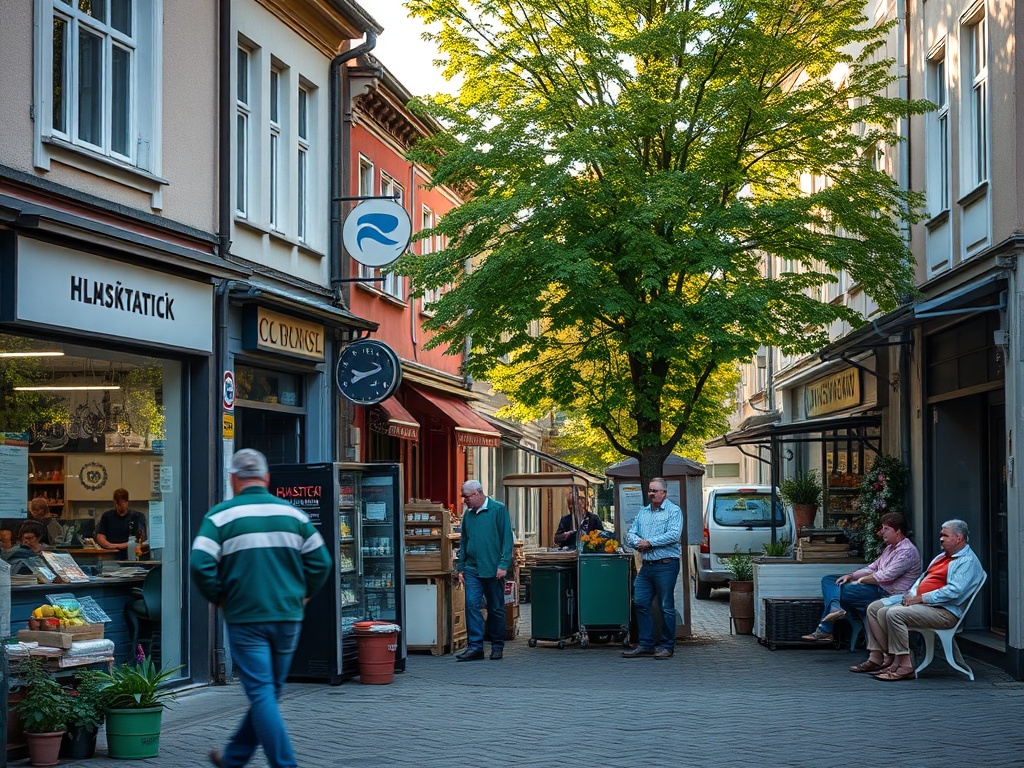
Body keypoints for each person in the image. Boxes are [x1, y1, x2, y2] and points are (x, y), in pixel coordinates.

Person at [191, 449, 331, 768]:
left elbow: (200, 564)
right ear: (267, 479)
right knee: (268, 693)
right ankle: (234, 758)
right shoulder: (294, 515)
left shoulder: (220, 517)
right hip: (287, 618)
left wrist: (221, 597)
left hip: (246, 619)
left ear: (232, 479)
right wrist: (304, 594)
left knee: (262, 694)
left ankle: (285, 764)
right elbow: (321, 561)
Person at [852, 519, 986, 681]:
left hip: (944, 612)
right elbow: (923, 579)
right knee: (876, 609)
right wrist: (912, 595)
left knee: (894, 613)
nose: (941, 539)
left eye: (945, 535)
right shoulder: (941, 557)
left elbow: (954, 592)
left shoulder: (967, 562)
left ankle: (905, 665)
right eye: (940, 535)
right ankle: (889, 658)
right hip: (925, 604)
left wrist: (921, 598)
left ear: (959, 538)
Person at [801, 512, 921, 642]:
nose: (882, 532)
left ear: (898, 532)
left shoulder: (906, 551)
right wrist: (850, 575)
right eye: (882, 528)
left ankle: (826, 627)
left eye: (886, 529)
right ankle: (835, 610)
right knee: (829, 580)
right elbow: (872, 567)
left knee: (838, 590)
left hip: (887, 593)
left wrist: (859, 581)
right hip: (875, 587)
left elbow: (887, 576)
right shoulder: (889, 549)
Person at [623, 477, 683, 659]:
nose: (651, 494)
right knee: (640, 602)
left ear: (664, 492)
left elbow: (674, 535)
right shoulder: (643, 512)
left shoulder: (673, 511)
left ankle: (667, 646)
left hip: (666, 565)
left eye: (655, 491)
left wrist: (650, 543)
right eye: (650, 490)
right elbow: (631, 533)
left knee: (666, 607)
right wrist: (637, 542)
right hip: (647, 567)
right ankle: (647, 644)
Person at [455, 480, 513, 662]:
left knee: (495, 608)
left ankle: (497, 645)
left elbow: (507, 539)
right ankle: (475, 647)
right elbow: (464, 541)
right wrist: (461, 566)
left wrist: (503, 565)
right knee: (471, 605)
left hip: (493, 568)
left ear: (479, 493)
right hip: (472, 568)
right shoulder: (468, 515)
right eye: (463, 496)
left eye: (467, 496)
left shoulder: (498, 510)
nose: (465, 500)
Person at [96, 488, 147, 560]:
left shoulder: (137, 516)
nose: (117, 506)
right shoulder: (107, 516)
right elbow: (100, 537)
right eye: (116, 503)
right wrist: (111, 545)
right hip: (111, 554)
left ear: (126, 502)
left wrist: (125, 545)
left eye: (120, 503)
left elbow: (141, 539)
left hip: (130, 554)